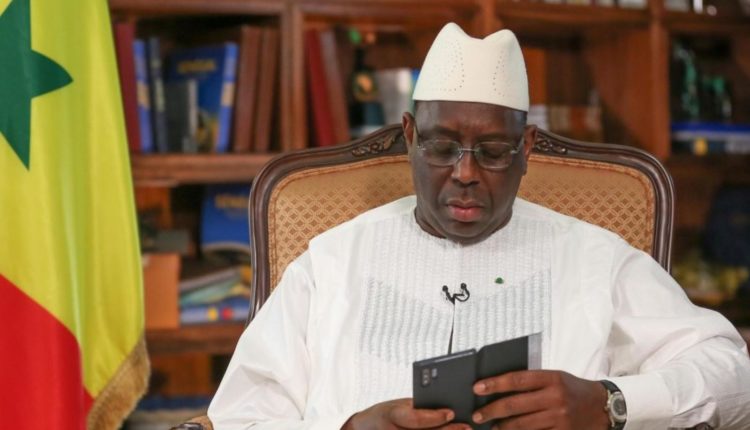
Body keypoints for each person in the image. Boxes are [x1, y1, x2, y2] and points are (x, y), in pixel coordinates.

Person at [207, 23, 750, 430]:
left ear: (527, 148)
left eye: (492, 152)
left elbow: (733, 376)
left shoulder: (594, 258)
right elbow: (239, 416)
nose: (465, 173)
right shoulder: (331, 262)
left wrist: (608, 404)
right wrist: (348, 428)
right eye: (442, 147)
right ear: (409, 136)